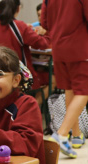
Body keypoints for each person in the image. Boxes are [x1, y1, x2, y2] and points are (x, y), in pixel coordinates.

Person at [42, 0, 88, 155]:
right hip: (79, 47)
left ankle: (76, 136)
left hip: (58, 48)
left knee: (70, 90)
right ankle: (61, 135)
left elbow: (44, 22)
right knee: (83, 92)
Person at [0, 0, 50, 92]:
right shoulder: (19, 26)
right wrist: (45, 33)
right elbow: (43, 44)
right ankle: (35, 104)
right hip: (21, 76)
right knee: (53, 79)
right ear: (18, 8)